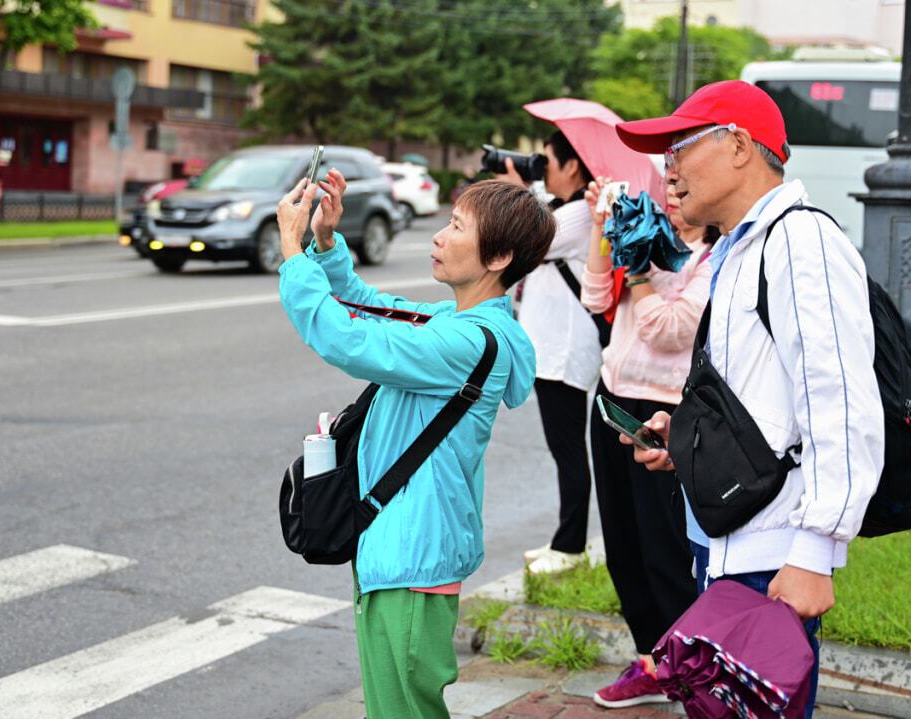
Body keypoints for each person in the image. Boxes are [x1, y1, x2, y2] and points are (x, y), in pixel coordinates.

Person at [617, 80, 886, 717]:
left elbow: (840, 402)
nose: (669, 170)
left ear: (739, 146)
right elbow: (762, 399)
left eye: (680, 147)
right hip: (729, 549)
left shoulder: (801, 242)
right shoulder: (742, 247)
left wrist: (815, 551)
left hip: (773, 559)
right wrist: (685, 442)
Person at [275, 170, 553, 718]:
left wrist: (291, 249)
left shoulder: (464, 341)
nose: (438, 236)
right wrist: (326, 243)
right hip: (403, 551)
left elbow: (347, 338)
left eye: (456, 226)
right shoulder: (458, 321)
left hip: (412, 560)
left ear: (497, 258)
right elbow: (364, 306)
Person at [578, 175, 718, 708]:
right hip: (613, 400)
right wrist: (601, 228)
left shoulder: (711, 262)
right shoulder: (648, 242)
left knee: (665, 549)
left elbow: (669, 329)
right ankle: (653, 661)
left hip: (666, 414)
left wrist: (638, 267)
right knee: (623, 546)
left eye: (686, 200)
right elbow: (595, 297)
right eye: (671, 200)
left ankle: (688, 670)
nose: (677, 210)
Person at [493, 132, 602, 575]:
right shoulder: (563, 209)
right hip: (551, 349)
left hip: (565, 351)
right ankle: (566, 540)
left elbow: (524, 240)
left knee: (569, 450)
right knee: (564, 449)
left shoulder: (578, 215)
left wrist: (518, 191)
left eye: (549, 162)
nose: (544, 169)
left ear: (573, 166)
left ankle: (570, 546)